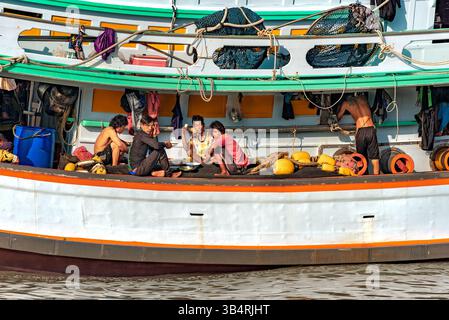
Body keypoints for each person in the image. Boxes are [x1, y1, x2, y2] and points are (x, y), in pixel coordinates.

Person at [337, 95, 380, 175]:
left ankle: (364, 176)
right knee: (375, 157)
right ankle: (376, 177)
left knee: (361, 157)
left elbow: (338, 117)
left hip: (360, 131)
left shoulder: (346, 104)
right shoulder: (363, 98)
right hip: (371, 128)